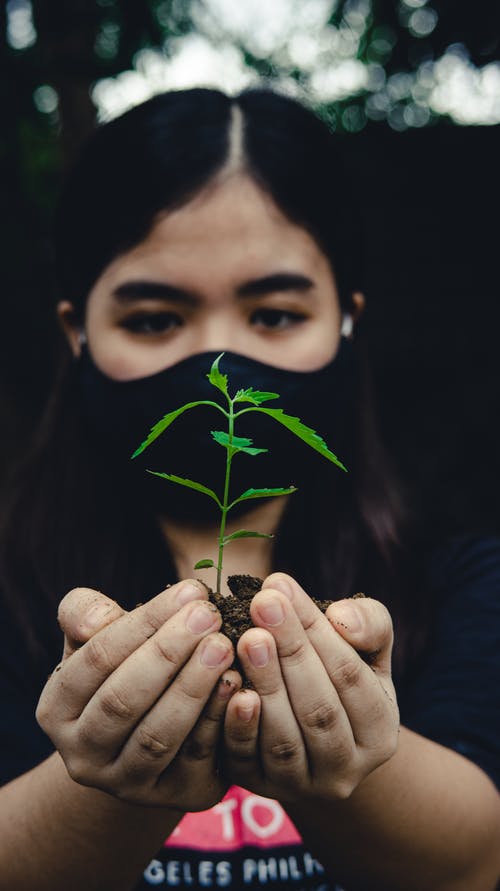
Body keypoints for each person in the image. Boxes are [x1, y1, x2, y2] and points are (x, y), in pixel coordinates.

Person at [0, 87, 498, 891]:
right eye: (156, 319)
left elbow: (478, 859)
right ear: (76, 332)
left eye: (273, 314)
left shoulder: (459, 585)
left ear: (345, 319)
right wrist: (106, 779)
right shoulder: (17, 598)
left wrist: (352, 763)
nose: (220, 364)